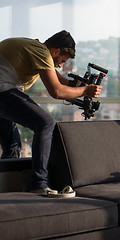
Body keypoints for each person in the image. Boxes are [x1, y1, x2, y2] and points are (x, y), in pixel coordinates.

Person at [0, 30, 102, 193]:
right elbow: (57, 91)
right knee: (45, 123)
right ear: (55, 51)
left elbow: (59, 80)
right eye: (62, 60)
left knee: (12, 146)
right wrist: (85, 91)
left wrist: (77, 85)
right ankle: (39, 184)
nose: (61, 65)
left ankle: (6, 191)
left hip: (4, 90)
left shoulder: (34, 46)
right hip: (3, 91)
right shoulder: (42, 53)